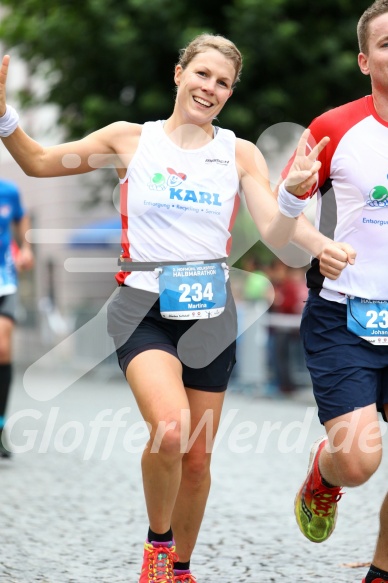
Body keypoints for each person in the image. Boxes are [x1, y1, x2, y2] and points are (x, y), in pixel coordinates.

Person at [0, 34, 329, 582]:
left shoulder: (239, 153)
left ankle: (179, 568)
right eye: (202, 74)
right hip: (141, 306)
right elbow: (36, 162)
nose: (211, 88)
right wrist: (4, 114)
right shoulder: (129, 140)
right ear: (179, 74)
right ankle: (158, 545)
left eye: (223, 83)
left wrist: (294, 195)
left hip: (210, 315)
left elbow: (276, 231)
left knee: (197, 459)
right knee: (171, 431)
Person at [280, 2, 388, 582]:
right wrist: (315, 240)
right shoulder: (334, 127)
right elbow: (284, 215)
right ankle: (325, 477)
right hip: (345, 313)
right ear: (363, 59)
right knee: (359, 457)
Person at [0, 179, 34, 458]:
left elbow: (22, 218)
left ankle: (0, 423)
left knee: (2, 346)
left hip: (5, 279)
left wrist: (26, 247)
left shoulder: (8, 191)